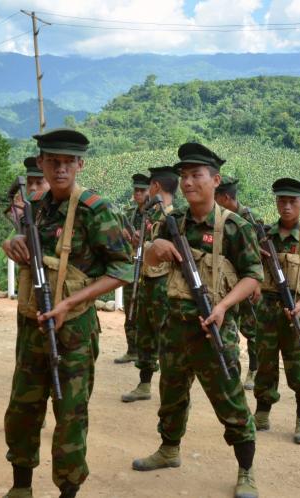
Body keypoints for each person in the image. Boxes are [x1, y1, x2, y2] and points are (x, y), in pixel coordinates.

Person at [2, 128, 133, 498]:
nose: (60, 169)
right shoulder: (39, 208)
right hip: (33, 326)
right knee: (23, 410)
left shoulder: (95, 210)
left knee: (70, 416)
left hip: (73, 331)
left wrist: (71, 303)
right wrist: (12, 243)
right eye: (52, 162)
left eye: (67, 163)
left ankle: (68, 491)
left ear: (80, 164)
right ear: (41, 163)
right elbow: (29, 248)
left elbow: (123, 269)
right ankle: (21, 486)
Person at [132, 143, 263, 498]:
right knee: (171, 393)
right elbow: (147, 264)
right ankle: (169, 449)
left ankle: (246, 469)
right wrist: (151, 251)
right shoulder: (172, 223)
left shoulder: (234, 227)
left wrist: (223, 307)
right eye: (184, 176)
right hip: (175, 327)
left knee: (231, 402)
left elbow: (254, 276)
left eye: (197, 175)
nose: (188, 182)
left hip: (214, 330)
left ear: (215, 180)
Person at [252, 178, 300, 444]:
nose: (286, 206)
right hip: (266, 310)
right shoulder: (265, 236)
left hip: (296, 311)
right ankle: (262, 413)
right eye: (281, 201)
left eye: (292, 202)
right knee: (265, 363)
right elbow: (251, 269)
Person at [121, 165, 179, 403]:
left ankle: (171, 387)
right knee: (145, 331)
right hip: (146, 279)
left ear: (155, 186)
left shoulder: (175, 218)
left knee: (166, 335)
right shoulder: (150, 214)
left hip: (165, 284)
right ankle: (144, 384)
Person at [214, 176, 263, 391]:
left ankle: (254, 368)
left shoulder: (249, 219)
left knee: (252, 329)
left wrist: (257, 284)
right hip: (228, 282)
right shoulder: (219, 219)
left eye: (216, 197)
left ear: (225, 197)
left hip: (248, 282)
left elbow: (262, 255)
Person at [114, 173, 150, 364]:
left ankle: (151, 354)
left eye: (141, 190)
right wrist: (125, 236)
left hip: (150, 269)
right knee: (130, 308)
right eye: (135, 190)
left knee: (149, 313)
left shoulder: (155, 215)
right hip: (132, 266)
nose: (137, 194)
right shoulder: (130, 214)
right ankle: (132, 349)